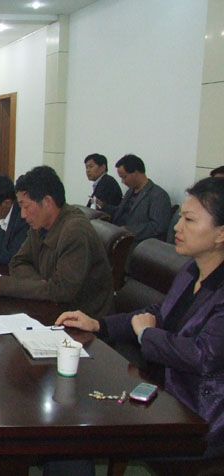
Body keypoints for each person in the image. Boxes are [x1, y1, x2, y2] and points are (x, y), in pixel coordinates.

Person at [56, 177, 224, 463]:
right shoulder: (191, 270)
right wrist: (99, 325)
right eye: (180, 218)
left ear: (220, 234)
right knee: (71, 420)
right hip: (166, 396)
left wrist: (148, 336)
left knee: (78, 435)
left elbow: (204, 356)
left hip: (201, 418)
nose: (176, 227)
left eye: (189, 220)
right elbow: (158, 313)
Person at [0, 166, 114, 318]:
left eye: (26, 206)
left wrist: (0, 286)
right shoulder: (40, 224)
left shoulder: (75, 231)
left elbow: (61, 291)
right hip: (51, 306)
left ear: (47, 202)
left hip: (81, 318)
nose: (22, 215)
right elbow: (18, 262)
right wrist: (41, 285)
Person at [104, 154, 171, 244]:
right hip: (117, 237)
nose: (122, 181)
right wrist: (103, 207)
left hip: (137, 243)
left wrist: (128, 230)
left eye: (124, 177)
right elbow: (120, 211)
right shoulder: (130, 191)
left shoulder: (158, 195)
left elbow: (158, 227)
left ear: (135, 173)